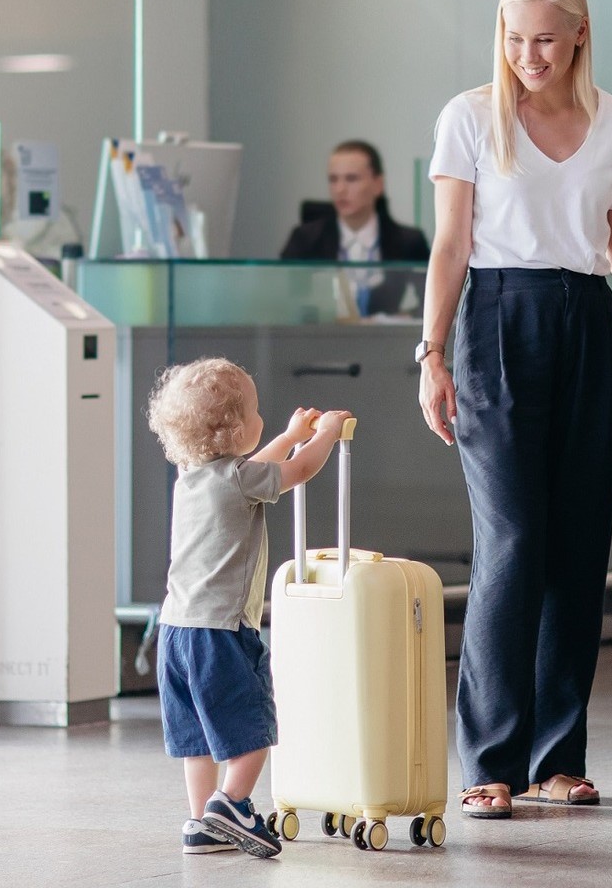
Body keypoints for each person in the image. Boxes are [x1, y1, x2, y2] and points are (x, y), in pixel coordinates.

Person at [416, 0, 612, 820]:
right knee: (513, 539)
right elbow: (450, 246)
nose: (528, 54)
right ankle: (489, 757)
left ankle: (558, 757)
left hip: (586, 321)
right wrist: (430, 354)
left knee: (579, 546)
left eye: (544, 37)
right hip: (495, 323)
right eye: (513, 38)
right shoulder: (470, 116)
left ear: (580, 33)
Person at [145, 358, 352, 857]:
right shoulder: (239, 480)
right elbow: (296, 470)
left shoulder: (192, 476)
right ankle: (232, 804)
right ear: (236, 427)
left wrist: (287, 433)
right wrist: (322, 433)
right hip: (220, 634)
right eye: (256, 411)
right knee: (251, 731)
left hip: (174, 632)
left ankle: (201, 823)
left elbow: (258, 466)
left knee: (198, 740)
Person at [280, 140, 430, 315]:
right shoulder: (305, 239)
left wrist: (406, 316)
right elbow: (287, 304)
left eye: (351, 179)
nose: (340, 189)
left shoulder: (409, 241)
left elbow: (430, 305)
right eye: (333, 179)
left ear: (378, 184)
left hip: (388, 339)